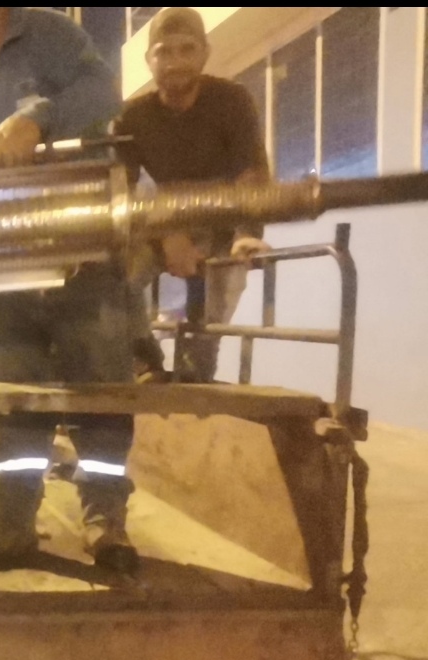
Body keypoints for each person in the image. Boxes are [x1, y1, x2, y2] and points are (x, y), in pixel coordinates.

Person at [0, 7, 139, 574]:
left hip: (82, 257)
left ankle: (106, 527)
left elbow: (103, 93)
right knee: (15, 405)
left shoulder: (50, 36)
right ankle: (12, 527)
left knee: (100, 401)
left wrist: (40, 118)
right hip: (7, 271)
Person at [114, 7, 272, 383]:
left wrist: (247, 234)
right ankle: (145, 359)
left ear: (205, 53)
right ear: (149, 60)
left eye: (187, 49)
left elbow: (250, 172)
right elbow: (124, 190)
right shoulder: (132, 118)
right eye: (164, 52)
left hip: (222, 225)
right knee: (112, 277)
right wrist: (168, 234)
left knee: (220, 293)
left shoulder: (232, 100)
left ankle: (195, 375)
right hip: (162, 221)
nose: (176, 62)